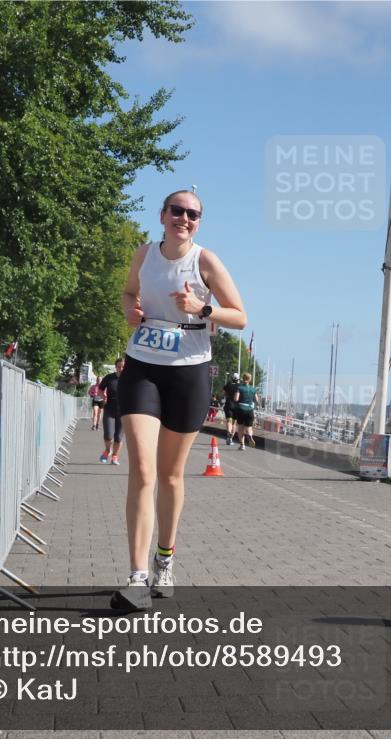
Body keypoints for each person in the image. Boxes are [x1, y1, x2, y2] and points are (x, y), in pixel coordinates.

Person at [113, 189, 246, 610]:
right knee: (143, 469)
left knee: (171, 476)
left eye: (193, 214)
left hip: (188, 370)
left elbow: (240, 316)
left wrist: (201, 309)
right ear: (163, 215)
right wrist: (130, 311)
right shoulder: (144, 254)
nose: (184, 218)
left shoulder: (206, 261)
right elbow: (128, 293)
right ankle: (136, 578)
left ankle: (164, 559)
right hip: (143, 365)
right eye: (177, 211)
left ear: (199, 222)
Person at [98, 359, 125, 465]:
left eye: (123, 367)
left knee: (118, 437)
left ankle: (115, 456)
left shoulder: (129, 379)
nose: (121, 369)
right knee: (109, 435)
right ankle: (107, 450)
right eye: (119, 367)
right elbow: (100, 389)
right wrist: (103, 396)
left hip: (123, 412)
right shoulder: (109, 378)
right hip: (109, 410)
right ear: (116, 367)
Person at [233, 372, 259, 450]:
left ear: (242, 379)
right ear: (250, 379)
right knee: (249, 427)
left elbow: (236, 399)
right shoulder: (253, 389)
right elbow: (257, 400)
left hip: (241, 409)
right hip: (250, 410)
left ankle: (242, 445)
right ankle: (250, 436)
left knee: (240, 427)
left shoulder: (240, 388)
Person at [223, 373, 240, 445]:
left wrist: (227, 395)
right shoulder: (239, 386)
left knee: (229, 420)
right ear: (238, 379)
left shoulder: (228, 385)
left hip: (228, 404)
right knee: (234, 423)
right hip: (236, 406)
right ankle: (231, 439)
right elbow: (236, 398)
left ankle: (228, 434)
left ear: (231, 378)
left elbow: (222, 393)